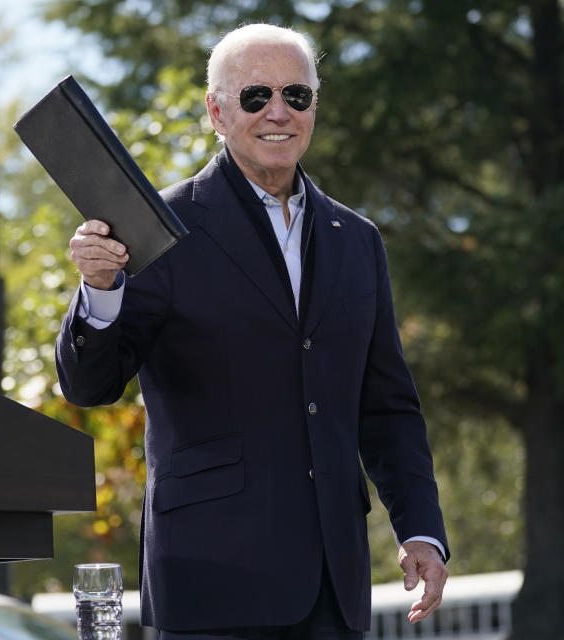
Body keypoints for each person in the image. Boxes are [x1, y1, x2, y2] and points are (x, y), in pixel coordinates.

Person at [56, 23, 449, 640]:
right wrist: (100, 291)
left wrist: (420, 531)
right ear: (216, 110)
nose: (278, 113)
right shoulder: (159, 227)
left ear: (314, 107)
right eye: (255, 96)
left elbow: (389, 408)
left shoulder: (359, 242)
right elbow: (90, 383)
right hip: (209, 589)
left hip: (333, 589)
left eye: (296, 96)